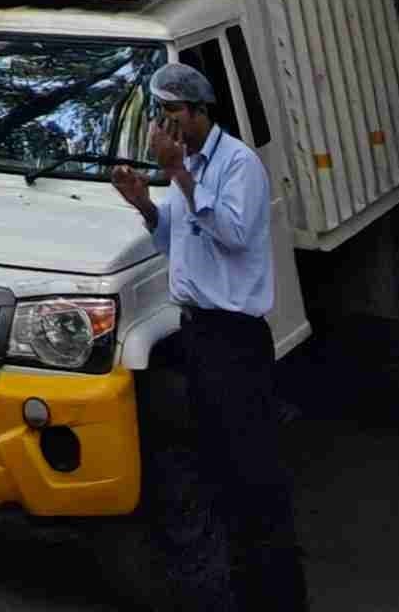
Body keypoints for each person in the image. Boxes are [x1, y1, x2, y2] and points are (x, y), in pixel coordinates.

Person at [111, 60, 306, 612]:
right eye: (161, 113)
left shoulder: (236, 165)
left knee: (254, 476)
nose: (165, 125)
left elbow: (235, 234)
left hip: (235, 340)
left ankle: (280, 597)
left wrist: (178, 177)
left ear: (200, 112)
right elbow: (183, 243)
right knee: (212, 472)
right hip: (195, 334)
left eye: (173, 113)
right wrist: (147, 205)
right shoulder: (189, 166)